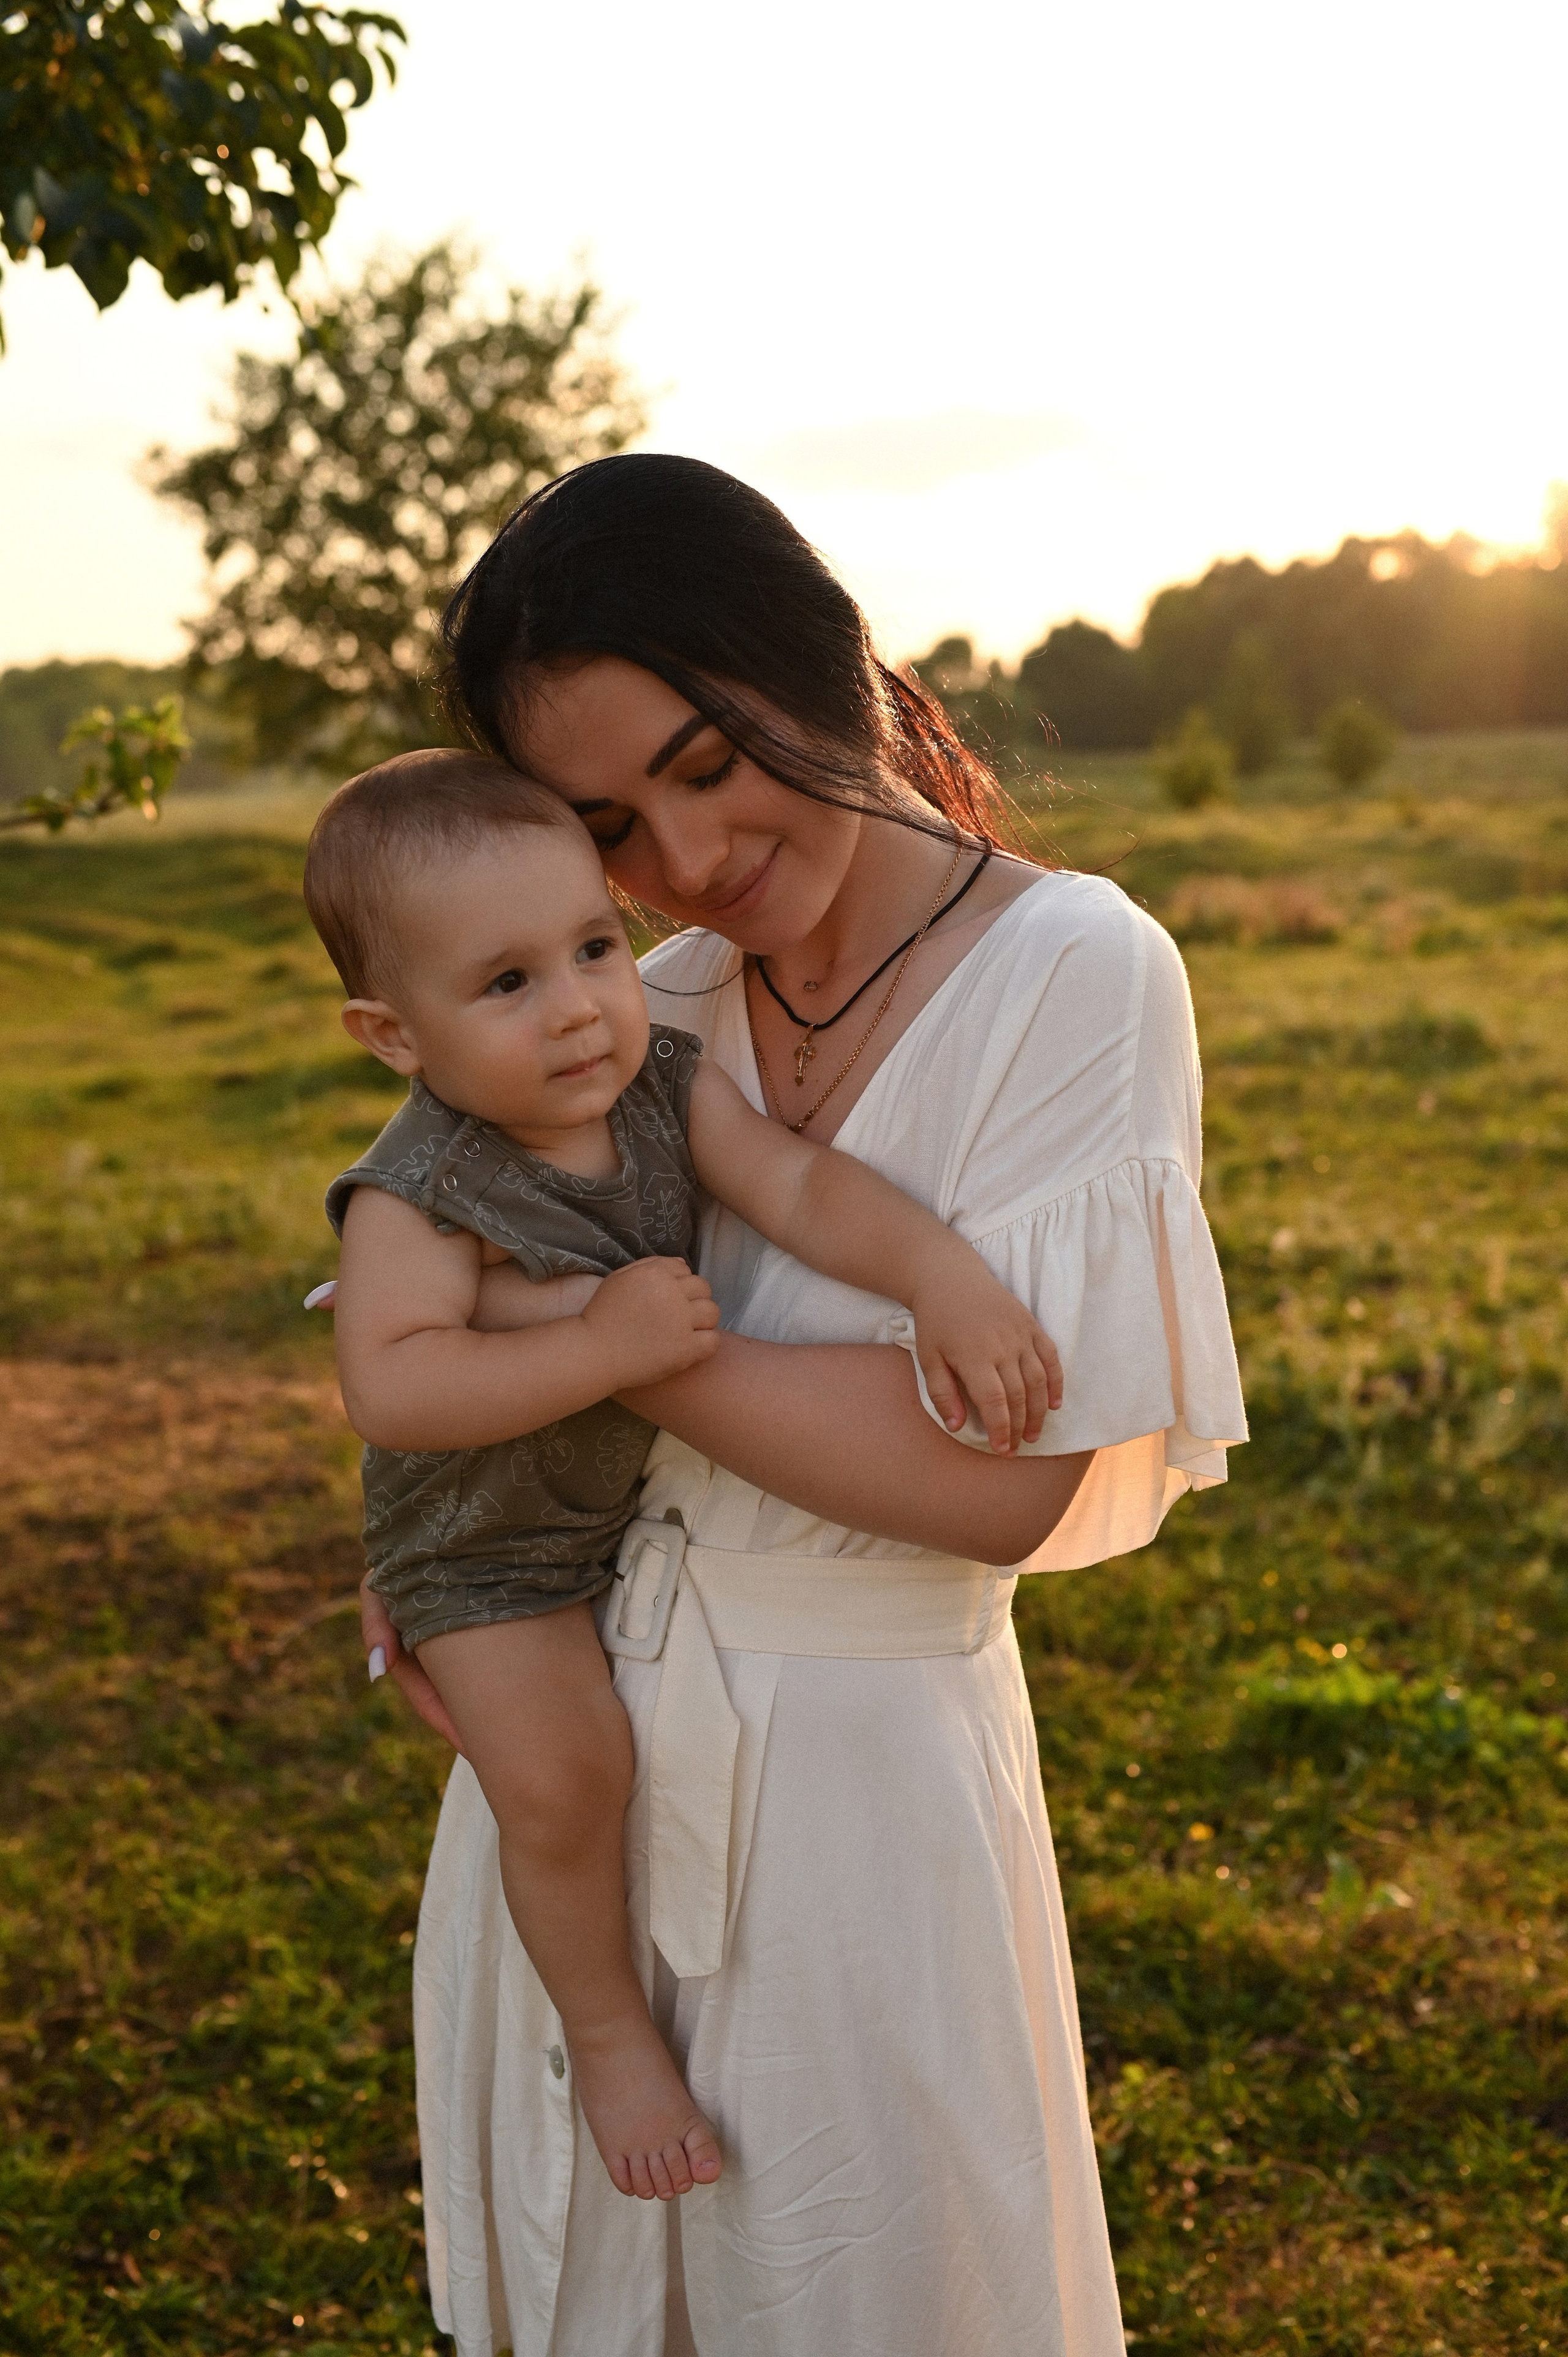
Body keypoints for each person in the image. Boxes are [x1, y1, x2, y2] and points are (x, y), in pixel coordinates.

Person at [359, 454, 1248, 2357]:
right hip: (577, 1771)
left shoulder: (1073, 971)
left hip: (863, 1812)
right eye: (612, 821)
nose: (684, 862)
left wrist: (610, 1340)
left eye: (708, 758)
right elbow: (436, 1285)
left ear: (827, 656)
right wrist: (447, 1542)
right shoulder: (646, 1005)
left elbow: (1003, 1482)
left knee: (873, 2283)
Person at [306, 747, 1065, 2207]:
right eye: (506, 983)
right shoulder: (420, 1186)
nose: (579, 1003)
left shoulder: (658, 1079)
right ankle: (609, 2041)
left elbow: (794, 1185)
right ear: (391, 1033)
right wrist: (601, 1343)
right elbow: (391, 1382)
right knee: (570, 1774)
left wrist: (941, 1277)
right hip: (486, 1556)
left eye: (594, 945)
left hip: (618, 1523)